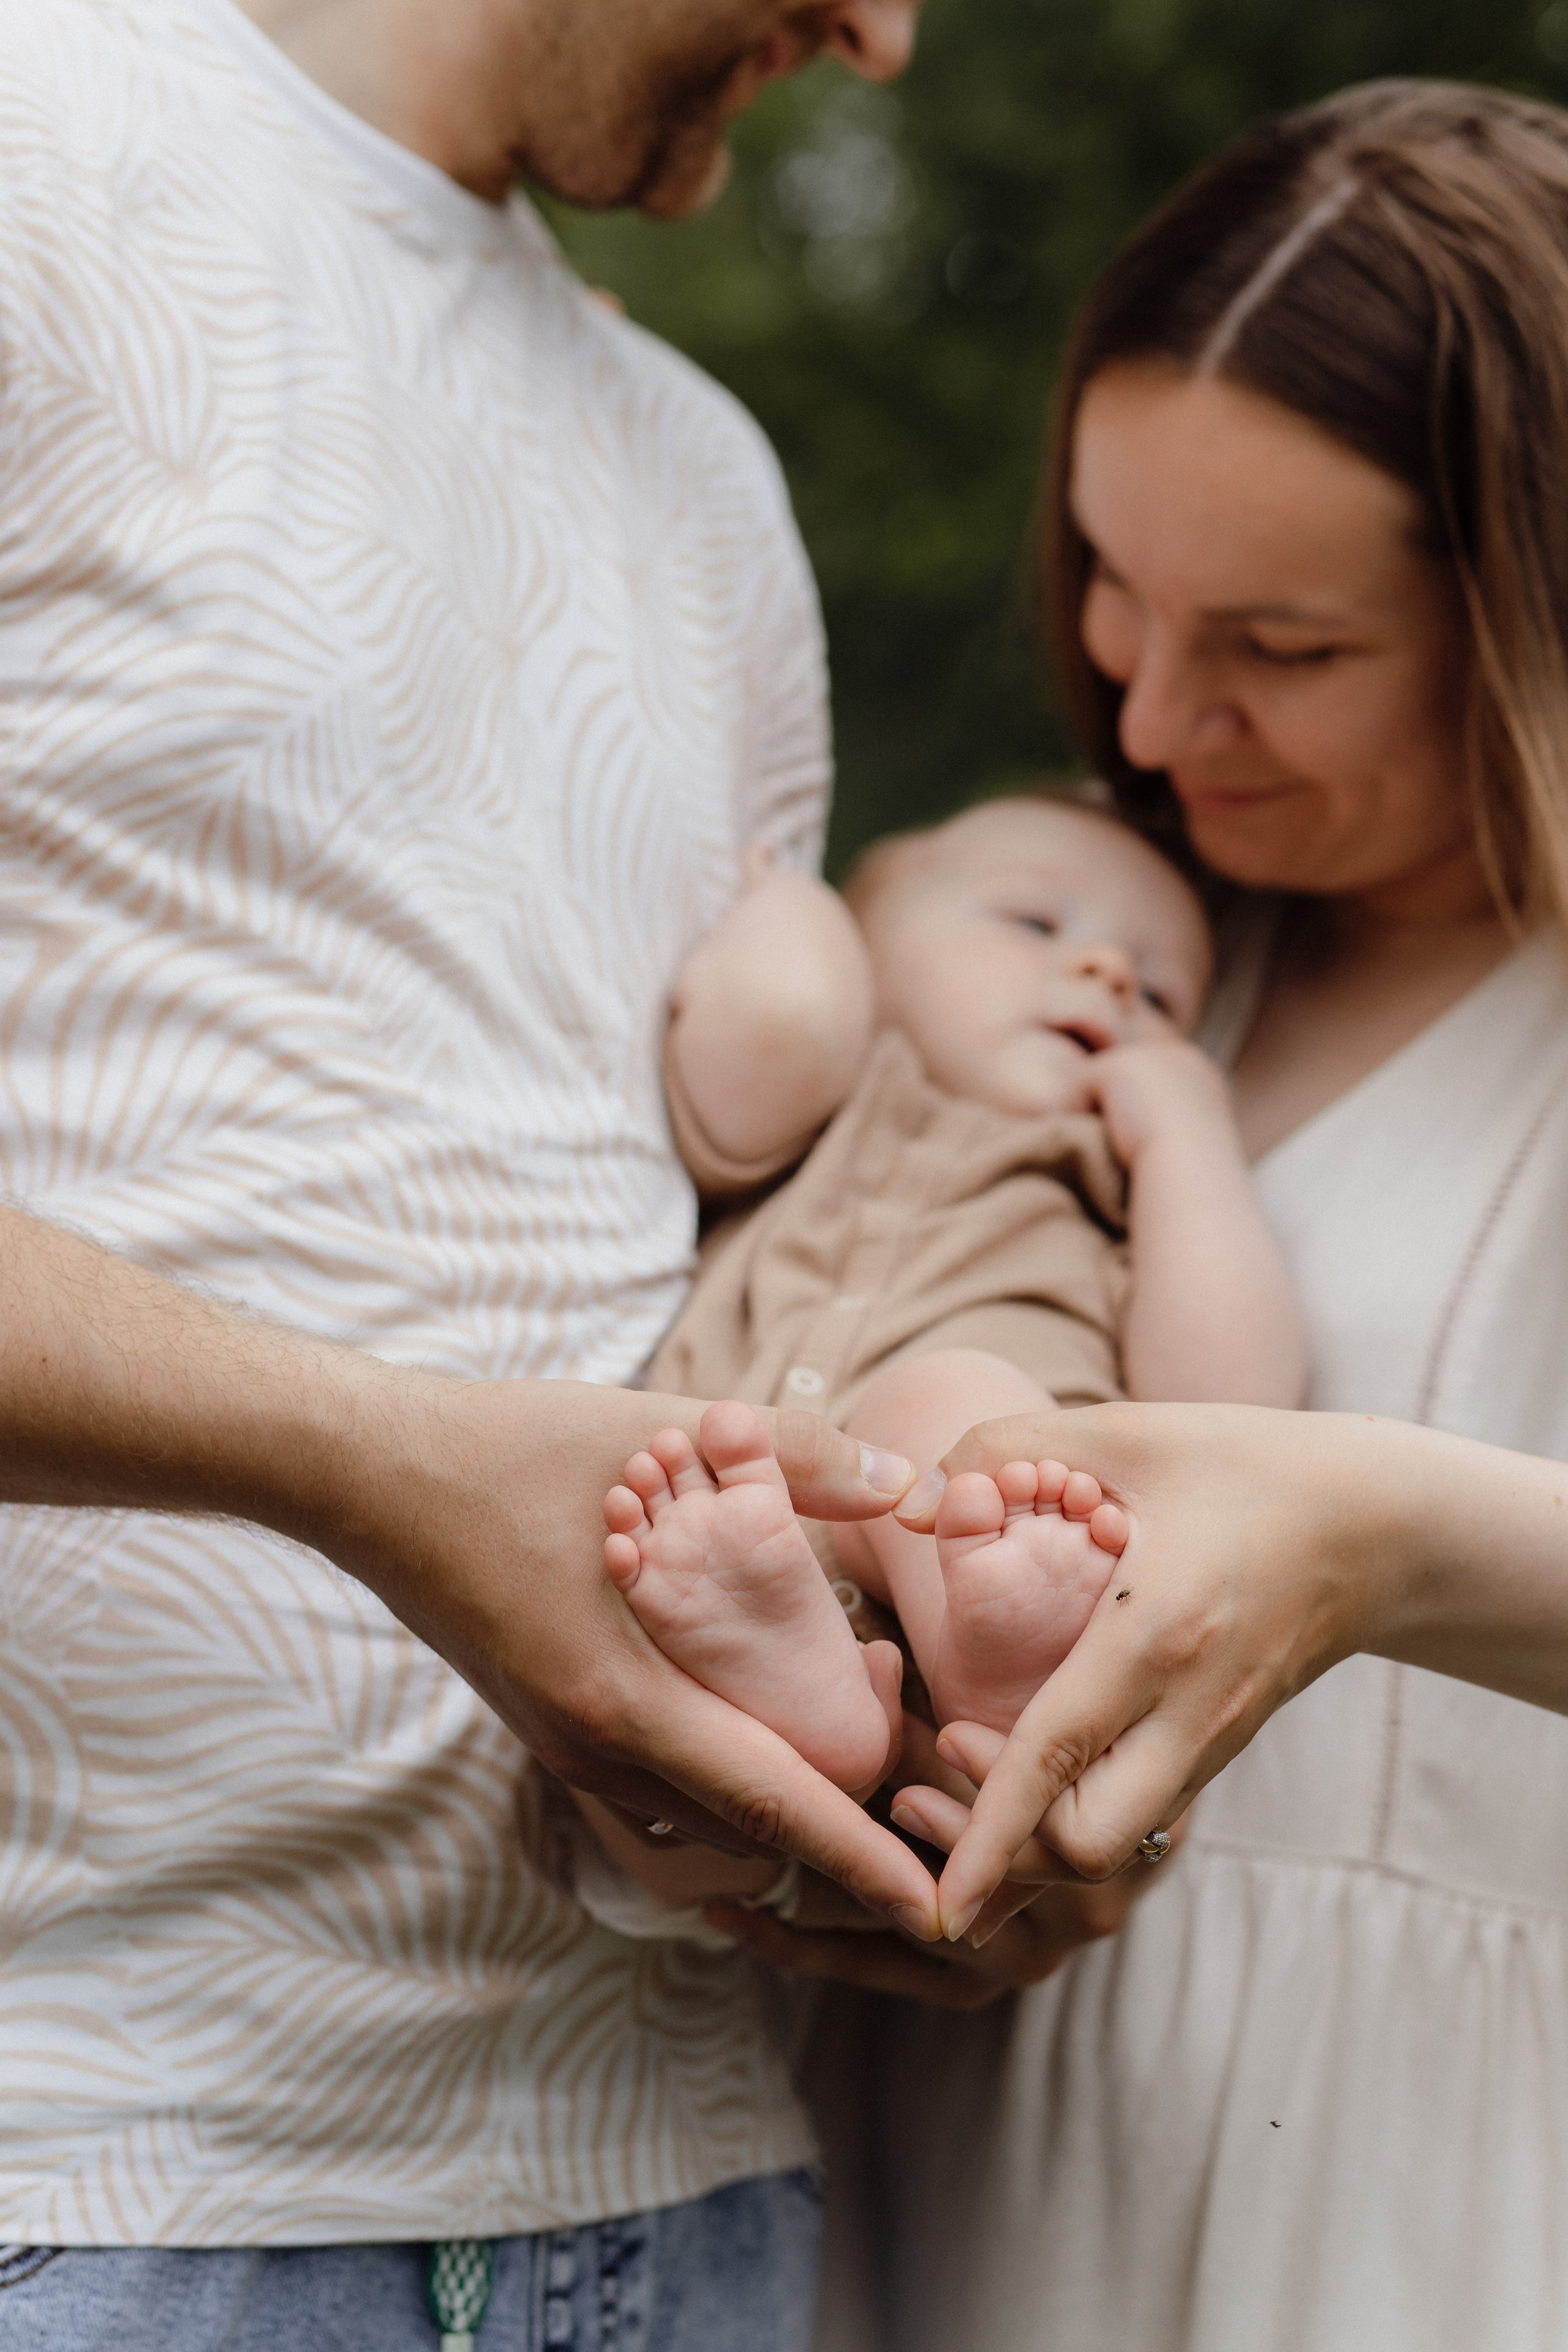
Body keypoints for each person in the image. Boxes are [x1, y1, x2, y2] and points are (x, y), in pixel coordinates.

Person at [0, 0, 937, 2344]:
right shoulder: (38, 146)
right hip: (100, 2183)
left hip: (685, 2194)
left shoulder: (705, 471)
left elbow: (736, 1263)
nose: (889, 39)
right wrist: (379, 1466)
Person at [721, 77, 1568, 2352]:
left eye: (1283, 649)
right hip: (932, 2112)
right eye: (1113, 578)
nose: (1157, 709)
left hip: (1410, 2185)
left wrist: (1376, 1539)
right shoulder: (1099, 927)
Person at [559, 794, 1298, 1931]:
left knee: (951, 1413)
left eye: (1161, 996)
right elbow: (770, 1028)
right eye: (1035, 924)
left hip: (961, 1667)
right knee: (629, 1675)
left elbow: (1236, 1409)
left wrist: (1186, 1142)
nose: (1106, 973)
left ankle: (992, 1671)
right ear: (873, 951)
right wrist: (792, 912)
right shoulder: (829, 1101)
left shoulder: (1112, 1187)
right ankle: (805, 1706)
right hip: (706, 1569)